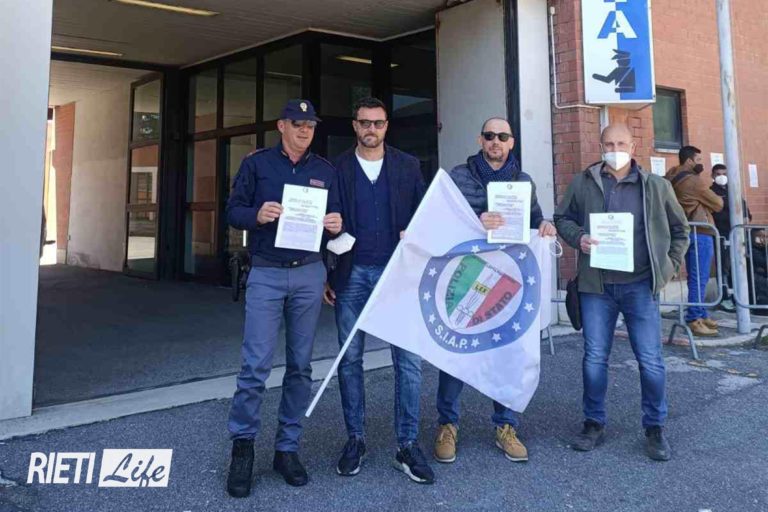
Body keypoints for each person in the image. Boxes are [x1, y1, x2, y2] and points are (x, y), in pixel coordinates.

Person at [225, 99, 343, 498]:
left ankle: (287, 449)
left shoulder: (324, 170)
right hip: (267, 273)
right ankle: (243, 448)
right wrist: (255, 215)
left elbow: (337, 221)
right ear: (281, 126)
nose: (305, 130)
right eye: (297, 123)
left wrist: (336, 223)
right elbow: (233, 211)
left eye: (310, 124)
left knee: (300, 367)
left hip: (309, 273)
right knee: (255, 366)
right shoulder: (257, 164)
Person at [554, 123, 689, 462]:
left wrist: (669, 267)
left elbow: (680, 230)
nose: (615, 149)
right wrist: (578, 238)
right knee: (594, 359)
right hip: (596, 287)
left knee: (651, 361)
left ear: (633, 147)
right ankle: (593, 423)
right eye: (609, 144)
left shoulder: (656, 186)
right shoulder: (583, 182)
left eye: (621, 143)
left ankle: (655, 427)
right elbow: (562, 218)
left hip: (640, 286)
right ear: (601, 146)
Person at [433, 117, 557, 465]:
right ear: (480, 140)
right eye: (489, 135)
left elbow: (534, 219)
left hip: (508, 279)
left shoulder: (523, 181)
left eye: (503, 136)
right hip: (465, 276)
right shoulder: (459, 176)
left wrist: (544, 225)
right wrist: (476, 222)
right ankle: (447, 424)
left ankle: (506, 426)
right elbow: (440, 220)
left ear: (511, 142)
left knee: (506, 350)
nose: (495, 141)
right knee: (456, 351)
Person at [322, 97, 433, 483]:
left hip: (398, 274)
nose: (371, 129)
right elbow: (324, 223)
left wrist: (415, 233)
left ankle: (408, 444)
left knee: (409, 362)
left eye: (378, 123)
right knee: (349, 361)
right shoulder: (336, 168)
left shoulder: (408, 166)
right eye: (365, 122)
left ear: (387, 126)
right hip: (351, 274)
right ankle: (355, 439)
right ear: (355, 125)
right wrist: (328, 273)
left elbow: (425, 214)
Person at [665, 146, 724, 336]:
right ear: (689, 161)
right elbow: (718, 204)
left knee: (696, 276)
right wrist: (706, 203)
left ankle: (701, 313)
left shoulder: (671, 176)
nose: (701, 163)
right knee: (700, 277)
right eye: (698, 160)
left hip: (685, 230)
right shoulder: (693, 180)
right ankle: (694, 318)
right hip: (700, 231)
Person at [710, 163, 752, 311]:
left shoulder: (732, 190)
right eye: (718, 174)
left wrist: (745, 217)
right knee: (723, 266)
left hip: (736, 235)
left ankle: (738, 296)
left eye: (724, 174)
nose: (721, 177)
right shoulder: (711, 192)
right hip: (721, 234)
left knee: (738, 265)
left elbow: (744, 208)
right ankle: (725, 297)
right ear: (712, 176)